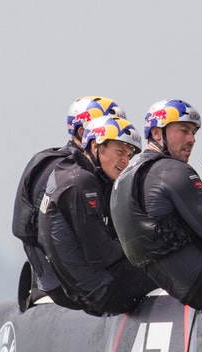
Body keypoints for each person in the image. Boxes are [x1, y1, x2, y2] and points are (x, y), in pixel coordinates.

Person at [109, 99, 202, 310]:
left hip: (186, 293)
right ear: (157, 133)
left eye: (194, 133)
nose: (192, 139)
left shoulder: (123, 179)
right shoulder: (173, 171)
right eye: (184, 130)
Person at [11, 96, 126, 311]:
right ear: (84, 133)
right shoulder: (71, 174)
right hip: (67, 285)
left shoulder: (80, 169)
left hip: (59, 280)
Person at [38, 115, 158, 316]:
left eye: (129, 156)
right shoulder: (82, 183)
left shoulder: (65, 170)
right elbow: (101, 254)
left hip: (81, 290)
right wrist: (145, 244)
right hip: (104, 294)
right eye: (120, 151)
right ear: (95, 146)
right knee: (172, 263)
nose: (125, 161)